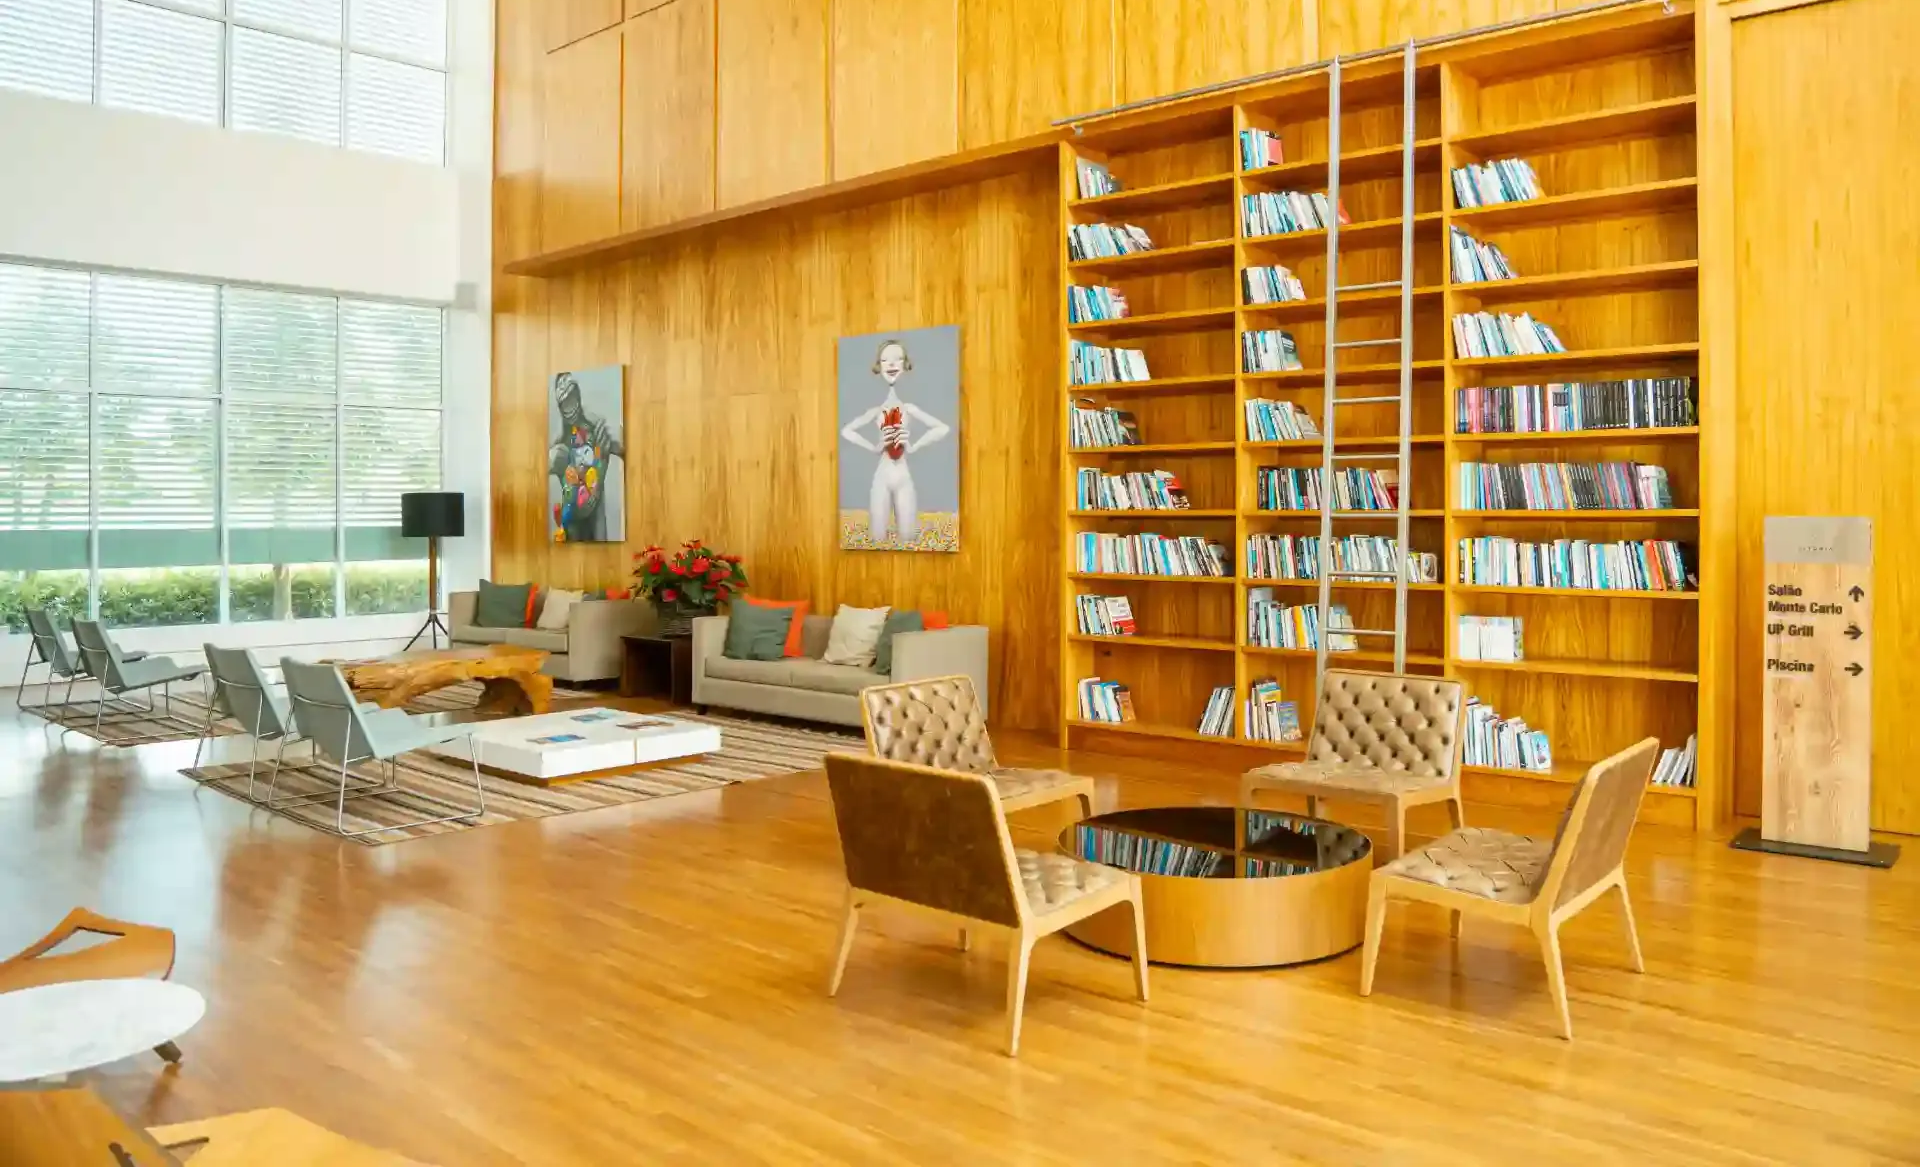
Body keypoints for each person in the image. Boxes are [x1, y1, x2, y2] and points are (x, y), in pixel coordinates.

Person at [840, 338, 951, 547]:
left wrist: (914, 446)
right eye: (885, 360)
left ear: (905, 365)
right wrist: (875, 447)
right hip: (881, 477)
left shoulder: (909, 408)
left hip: (903, 476)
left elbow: (942, 428)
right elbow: (846, 431)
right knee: (877, 538)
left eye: (897, 359)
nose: (891, 364)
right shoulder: (876, 410)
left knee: (908, 536)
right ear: (878, 366)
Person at [548, 373, 625, 543]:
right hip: (572, 517)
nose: (570, 407)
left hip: (595, 511)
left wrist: (618, 437)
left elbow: (626, 449)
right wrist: (551, 460)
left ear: (578, 396)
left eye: (571, 398)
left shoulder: (596, 426)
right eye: (565, 402)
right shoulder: (559, 440)